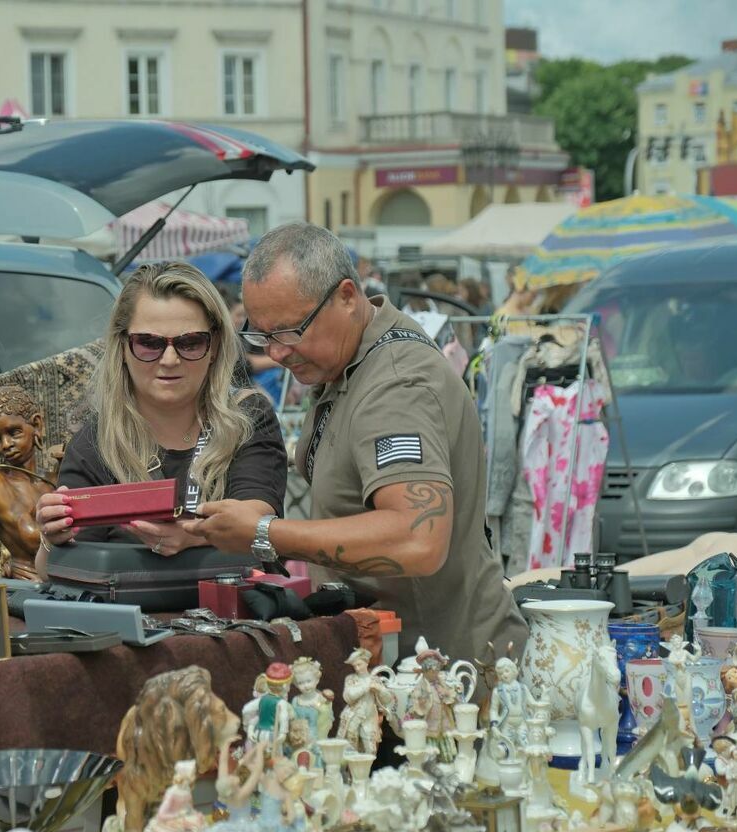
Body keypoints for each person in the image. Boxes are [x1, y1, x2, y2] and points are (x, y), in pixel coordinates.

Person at [184, 221, 527, 670]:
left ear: (347, 297)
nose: (277, 352)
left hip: (448, 678)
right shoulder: (350, 358)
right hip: (411, 662)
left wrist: (266, 533)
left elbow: (418, 539)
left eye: (289, 331)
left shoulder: (394, 385)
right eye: (262, 335)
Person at [33, 262, 287, 574]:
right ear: (123, 347)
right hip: (132, 618)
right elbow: (51, 574)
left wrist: (192, 536)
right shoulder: (97, 440)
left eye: (190, 342)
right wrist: (52, 536)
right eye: (149, 343)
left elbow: (257, 519)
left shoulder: (247, 415)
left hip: (239, 613)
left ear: (214, 346)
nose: (169, 359)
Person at [0, 384, 59, 580]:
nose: (5, 445)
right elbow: (32, 540)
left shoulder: (51, 479)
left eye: (14, 433)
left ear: (36, 425)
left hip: (70, 574)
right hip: (31, 581)